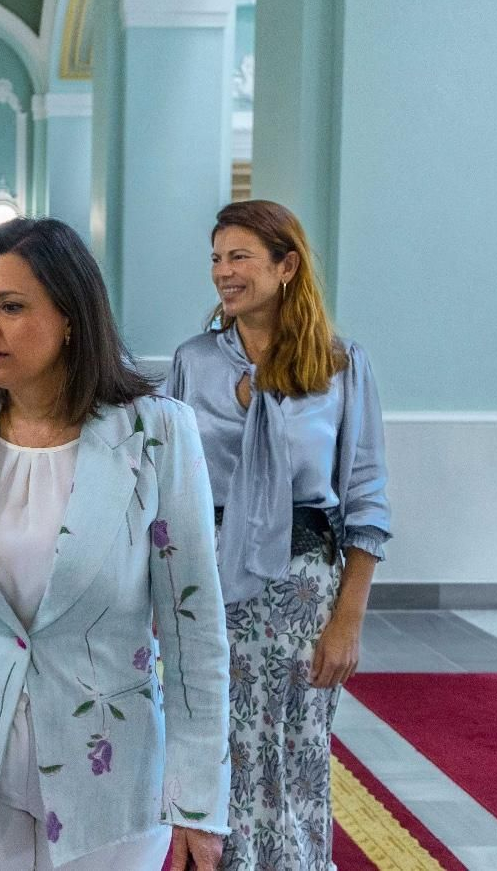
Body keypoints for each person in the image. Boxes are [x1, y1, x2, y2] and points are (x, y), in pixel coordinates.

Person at [0, 217, 231, 871]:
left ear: (72, 315)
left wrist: (198, 799)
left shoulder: (156, 434)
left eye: (11, 306)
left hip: (107, 764)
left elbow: (193, 632)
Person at [167, 200, 391, 871]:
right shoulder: (193, 361)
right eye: (216, 258)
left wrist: (348, 617)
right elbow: (167, 483)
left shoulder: (342, 365)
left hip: (303, 590)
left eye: (239, 257)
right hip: (206, 580)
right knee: (214, 741)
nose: (222, 273)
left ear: (286, 265)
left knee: (292, 751)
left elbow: (367, 499)